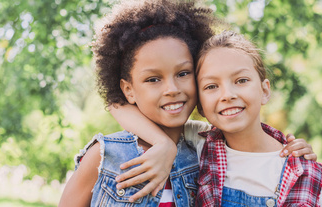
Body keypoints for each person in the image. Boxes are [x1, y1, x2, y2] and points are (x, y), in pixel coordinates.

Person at [59, 0, 218, 206]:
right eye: (153, 79)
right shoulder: (105, 156)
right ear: (128, 90)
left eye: (183, 73)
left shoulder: (205, 152)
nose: (172, 89)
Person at [194, 31, 322, 207]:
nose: (227, 95)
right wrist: (162, 143)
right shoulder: (195, 145)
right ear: (200, 103)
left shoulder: (301, 171)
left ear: (265, 91)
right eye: (211, 86)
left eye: (241, 80)